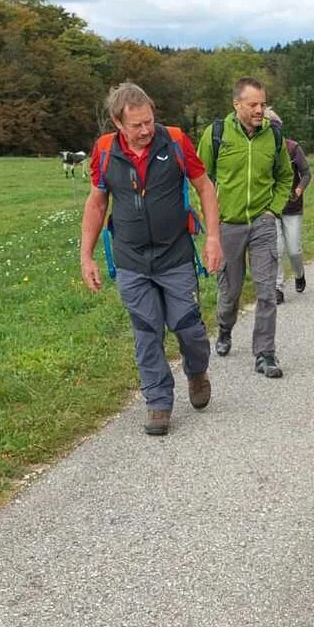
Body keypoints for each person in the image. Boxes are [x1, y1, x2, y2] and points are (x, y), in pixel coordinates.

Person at [79, 82, 224, 436]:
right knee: (146, 331)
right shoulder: (103, 151)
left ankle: (196, 371)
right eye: (137, 125)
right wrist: (86, 256)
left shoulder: (174, 141)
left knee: (188, 327)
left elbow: (204, 187)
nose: (146, 130)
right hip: (132, 261)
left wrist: (213, 239)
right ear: (117, 122)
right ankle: (158, 401)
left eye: (149, 121)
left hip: (174, 256)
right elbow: (97, 203)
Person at [197, 77, 294, 378]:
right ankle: (225, 328)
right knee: (231, 292)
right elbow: (200, 180)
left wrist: (272, 211)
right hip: (228, 225)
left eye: (263, 104)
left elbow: (285, 177)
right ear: (236, 104)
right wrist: (212, 220)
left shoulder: (273, 137)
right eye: (253, 104)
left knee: (267, 291)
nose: (259, 110)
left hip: (263, 224)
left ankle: (265, 354)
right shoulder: (215, 134)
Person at [264, 108, 312, 305]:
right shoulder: (260, 151)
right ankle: (277, 288)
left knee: (293, 249)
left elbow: (307, 173)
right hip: (270, 207)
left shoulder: (292, 148)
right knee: (276, 249)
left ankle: (299, 273)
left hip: (292, 206)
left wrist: (299, 189)